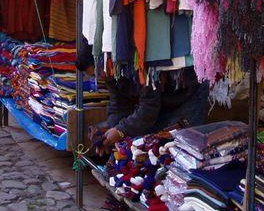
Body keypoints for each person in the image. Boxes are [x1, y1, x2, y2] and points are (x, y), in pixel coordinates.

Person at [77, 46, 209, 151]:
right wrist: (112, 134)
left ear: (104, 60)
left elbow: (149, 108)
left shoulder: (136, 61)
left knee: (184, 149)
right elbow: (118, 103)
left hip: (187, 94)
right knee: (158, 149)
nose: (99, 78)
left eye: (97, 73)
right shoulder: (110, 72)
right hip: (163, 100)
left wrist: (120, 131)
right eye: (93, 75)